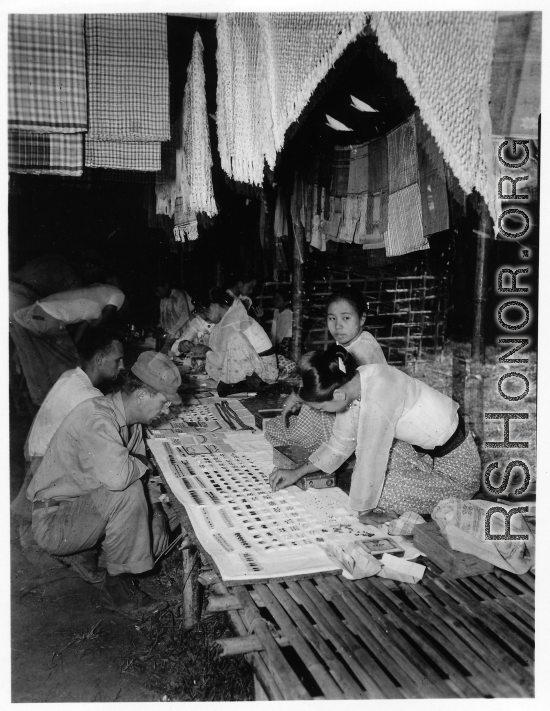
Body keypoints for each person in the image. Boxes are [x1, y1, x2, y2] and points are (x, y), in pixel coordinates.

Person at [26, 351, 182, 619]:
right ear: (142, 395)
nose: (166, 410)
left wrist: (156, 514)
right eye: (164, 402)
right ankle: (118, 587)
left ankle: (91, 551)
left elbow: (140, 474)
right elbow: (121, 478)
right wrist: (143, 462)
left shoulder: (130, 424)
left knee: (175, 511)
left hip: (84, 507)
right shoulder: (98, 418)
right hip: (55, 521)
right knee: (127, 492)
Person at [269, 346, 481, 525]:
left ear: (337, 395)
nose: (324, 413)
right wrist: (297, 472)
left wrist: (365, 511)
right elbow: (340, 444)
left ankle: (451, 495)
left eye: (323, 409)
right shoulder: (355, 381)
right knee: (365, 475)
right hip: (425, 456)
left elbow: (371, 457)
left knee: (381, 492)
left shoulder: (379, 393)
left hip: (457, 472)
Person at [11, 329, 126, 527]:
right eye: (118, 360)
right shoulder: (91, 396)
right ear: (99, 359)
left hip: (33, 453)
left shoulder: (71, 375)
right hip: (44, 464)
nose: (122, 366)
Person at [265, 287, 386, 452]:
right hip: (351, 410)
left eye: (346, 318)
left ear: (362, 318)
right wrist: (297, 396)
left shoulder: (363, 349)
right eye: (332, 318)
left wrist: (302, 398)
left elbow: (347, 396)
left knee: (312, 408)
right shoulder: (347, 343)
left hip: (368, 421)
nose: (338, 326)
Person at [11, 284, 125, 406]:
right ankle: (69, 406)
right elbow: (85, 330)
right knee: (71, 368)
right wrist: (74, 354)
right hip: (45, 318)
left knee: (43, 368)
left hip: (27, 316)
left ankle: (45, 405)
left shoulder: (89, 298)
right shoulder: (97, 308)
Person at [199, 288, 278, 396]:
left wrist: (204, 349)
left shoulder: (231, 320)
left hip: (265, 372)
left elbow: (220, 361)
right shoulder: (230, 315)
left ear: (213, 306)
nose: (204, 317)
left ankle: (240, 384)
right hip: (258, 366)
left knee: (235, 339)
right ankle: (235, 382)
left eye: (204, 312)